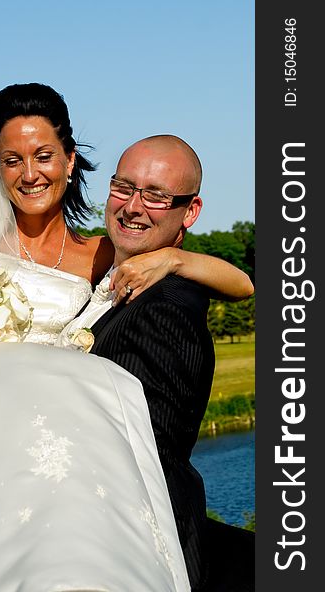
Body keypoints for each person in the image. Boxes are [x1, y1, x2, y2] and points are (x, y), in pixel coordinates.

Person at [0, 84, 252, 591]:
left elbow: (242, 285)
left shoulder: (110, 254)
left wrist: (177, 257)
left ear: (69, 160)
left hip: (58, 452)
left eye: (43, 156)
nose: (30, 174)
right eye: (11, 159)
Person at [57, 135, 255, 591]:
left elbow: (148, 458)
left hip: (127, 551)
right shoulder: (106, 275)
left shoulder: (165, 308)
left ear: (190, 212)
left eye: (157, 196)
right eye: (123, 187)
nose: (133, 206)